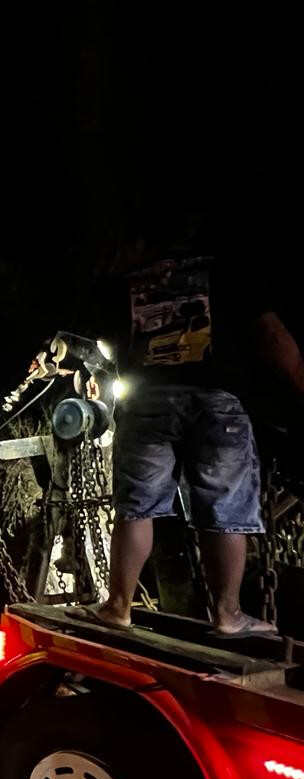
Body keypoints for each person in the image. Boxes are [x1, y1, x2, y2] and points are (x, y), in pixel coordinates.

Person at [82, 255, 303, 637]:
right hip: (216, 400)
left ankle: (118, 606)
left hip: (149, 398)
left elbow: (110, 341)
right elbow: (271, 337)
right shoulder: (227, 268)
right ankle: (228, 615)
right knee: (224, 506)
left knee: (137, 506)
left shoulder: (135, 274)